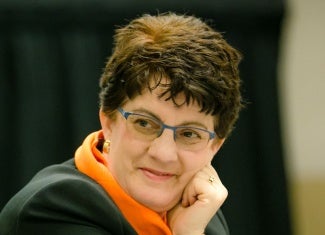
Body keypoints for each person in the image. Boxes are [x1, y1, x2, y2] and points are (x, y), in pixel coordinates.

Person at [0, 12, 242, 235]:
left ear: (215, 147)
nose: (163, 153)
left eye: (189, 134)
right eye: (145, 124)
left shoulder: (202, 211)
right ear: (108, 122)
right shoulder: (53, 208)